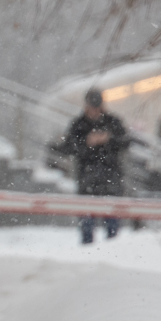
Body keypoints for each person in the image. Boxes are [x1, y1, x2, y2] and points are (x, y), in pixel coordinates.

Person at [60, 88, 131, 243]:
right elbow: (67, 147)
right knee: (87, 225)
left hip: (110, 179)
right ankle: (88, 255)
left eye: (97, 108)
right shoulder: (78, 124)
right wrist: (86, 142)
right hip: (87, 180)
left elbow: (126, 142)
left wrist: (108, 139)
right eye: (92, 108)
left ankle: (111, 252)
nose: (94, 112)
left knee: (112, 228)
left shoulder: (112, 122)